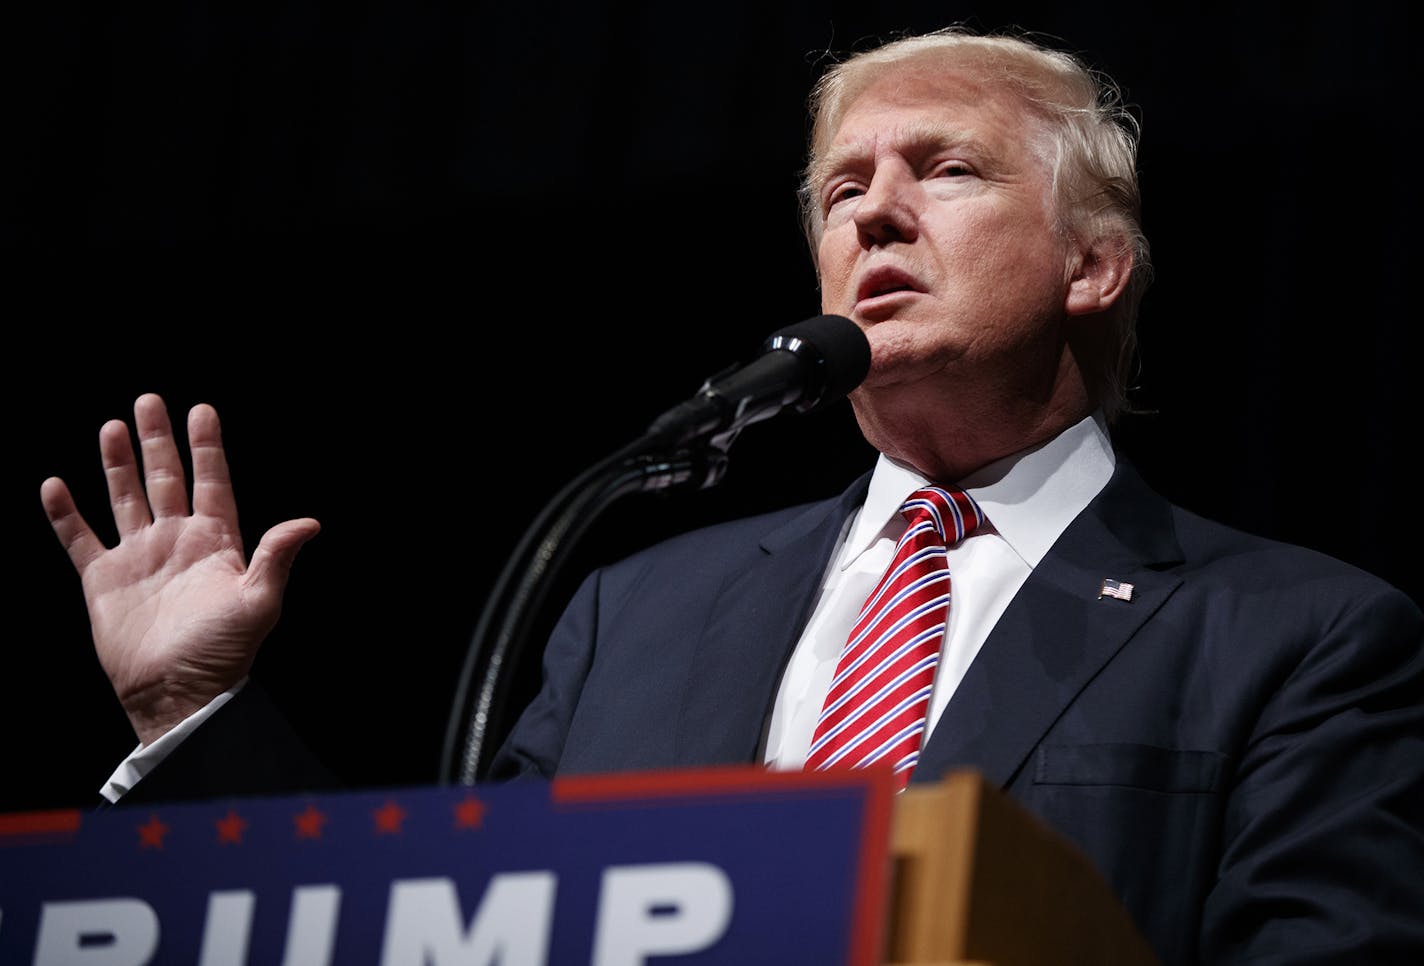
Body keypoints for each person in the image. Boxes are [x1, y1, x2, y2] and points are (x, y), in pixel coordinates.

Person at [40, 25, 1424, 965]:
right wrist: (193, 708)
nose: (874, 214)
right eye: (841, 189)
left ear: (1093, 267)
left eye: (946, 170)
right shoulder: (634, 605)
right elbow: (440, 931)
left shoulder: (1296, 635)